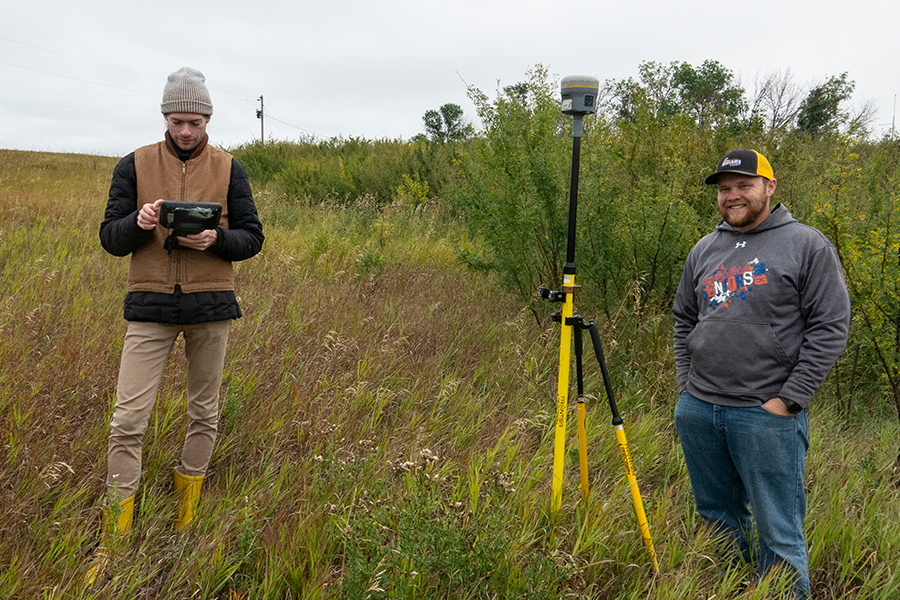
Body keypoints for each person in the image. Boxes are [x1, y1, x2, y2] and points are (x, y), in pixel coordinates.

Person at [87, 67, 264, 584]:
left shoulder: (231, 169)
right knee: (127, 420)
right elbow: (109, 237)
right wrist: (138, 223)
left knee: (204, 413)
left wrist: (217, 241)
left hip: (211, 305)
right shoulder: (134, 164)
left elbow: (252, 237)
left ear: (208, 118)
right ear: (164, 117)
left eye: (194, 120)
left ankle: (187, 521)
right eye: (176, 119)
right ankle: (113, 542)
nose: (185, 130)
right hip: (150, 307)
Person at [672, 149, 850, 598]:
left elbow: (831, 327)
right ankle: (728, 590)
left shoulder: (807, 245)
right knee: (716, 518)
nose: (732, 196)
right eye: (724, 188)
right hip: (700, 410)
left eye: (743, 186)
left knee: (779, 532)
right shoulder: (704, 248)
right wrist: (686, 390)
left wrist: (789, 400)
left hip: (764, 416)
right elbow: (683, 320)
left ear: (770, 187)